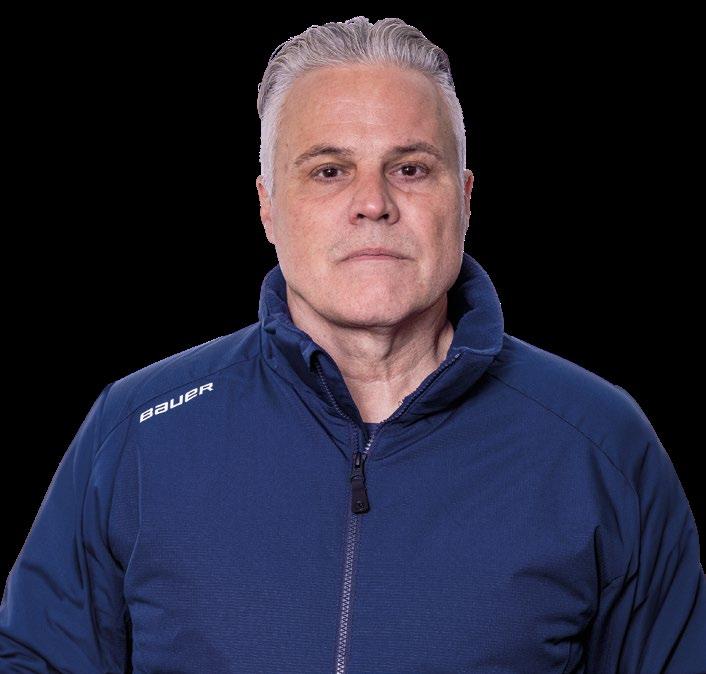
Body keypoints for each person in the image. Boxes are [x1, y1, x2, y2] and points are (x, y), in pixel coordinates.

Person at [1, 16, 704, 674]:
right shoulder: (135, 433)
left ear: (464, 198)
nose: (374, 203)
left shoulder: (601, 444)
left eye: (410, 168)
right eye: (330, 170)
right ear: (267, 206)